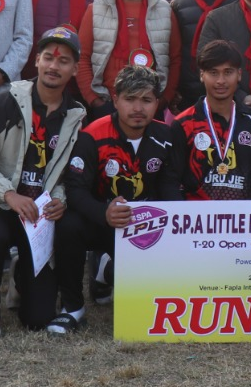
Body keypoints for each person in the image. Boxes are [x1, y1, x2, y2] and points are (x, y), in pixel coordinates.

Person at [0, 28, 89, 335]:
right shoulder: (6, 100)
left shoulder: (75, 115)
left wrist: (60, 198)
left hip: (38, 216)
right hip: (0, 204)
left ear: (75, 69)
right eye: (48, 58)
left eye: (63, 61)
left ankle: (22, 273)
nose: (53, 66)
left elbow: (66, 173)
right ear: (36, 61)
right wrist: (9, 194)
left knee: (38, 320)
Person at [59, 64, 183, 323]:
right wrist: (103, 213)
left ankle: (106, 271)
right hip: (102, 222)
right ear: (115, 100)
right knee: (69, 224)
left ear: (157, 103)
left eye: (146, 100)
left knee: (143, 308)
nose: (138, 108)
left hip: (147, 226)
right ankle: (72, 307)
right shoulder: (91, 135)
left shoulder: (167, 135)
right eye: (130, 99)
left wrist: (174, 219)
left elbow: (170, 186)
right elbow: (75, 189)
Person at [77, 0, 179, 116]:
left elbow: (175, 58)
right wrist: (93, 100)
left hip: (149, 103)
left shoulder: (164, 10)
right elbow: (82, 57)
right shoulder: (96, 9)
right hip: (107, 101)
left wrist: (164, 99)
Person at [171, 40, 251, 201]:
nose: (221, 80)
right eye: (213, 73)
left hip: (242, 215)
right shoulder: (183, 123)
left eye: (228, 72)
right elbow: (171, 180)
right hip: (196, 215)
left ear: (239, 74)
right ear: (202, 75)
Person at [172, 0, 240, 110]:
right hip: (189, 95)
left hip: (234, 94)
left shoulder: (242, 1)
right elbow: (174, 51)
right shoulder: (179, 3)